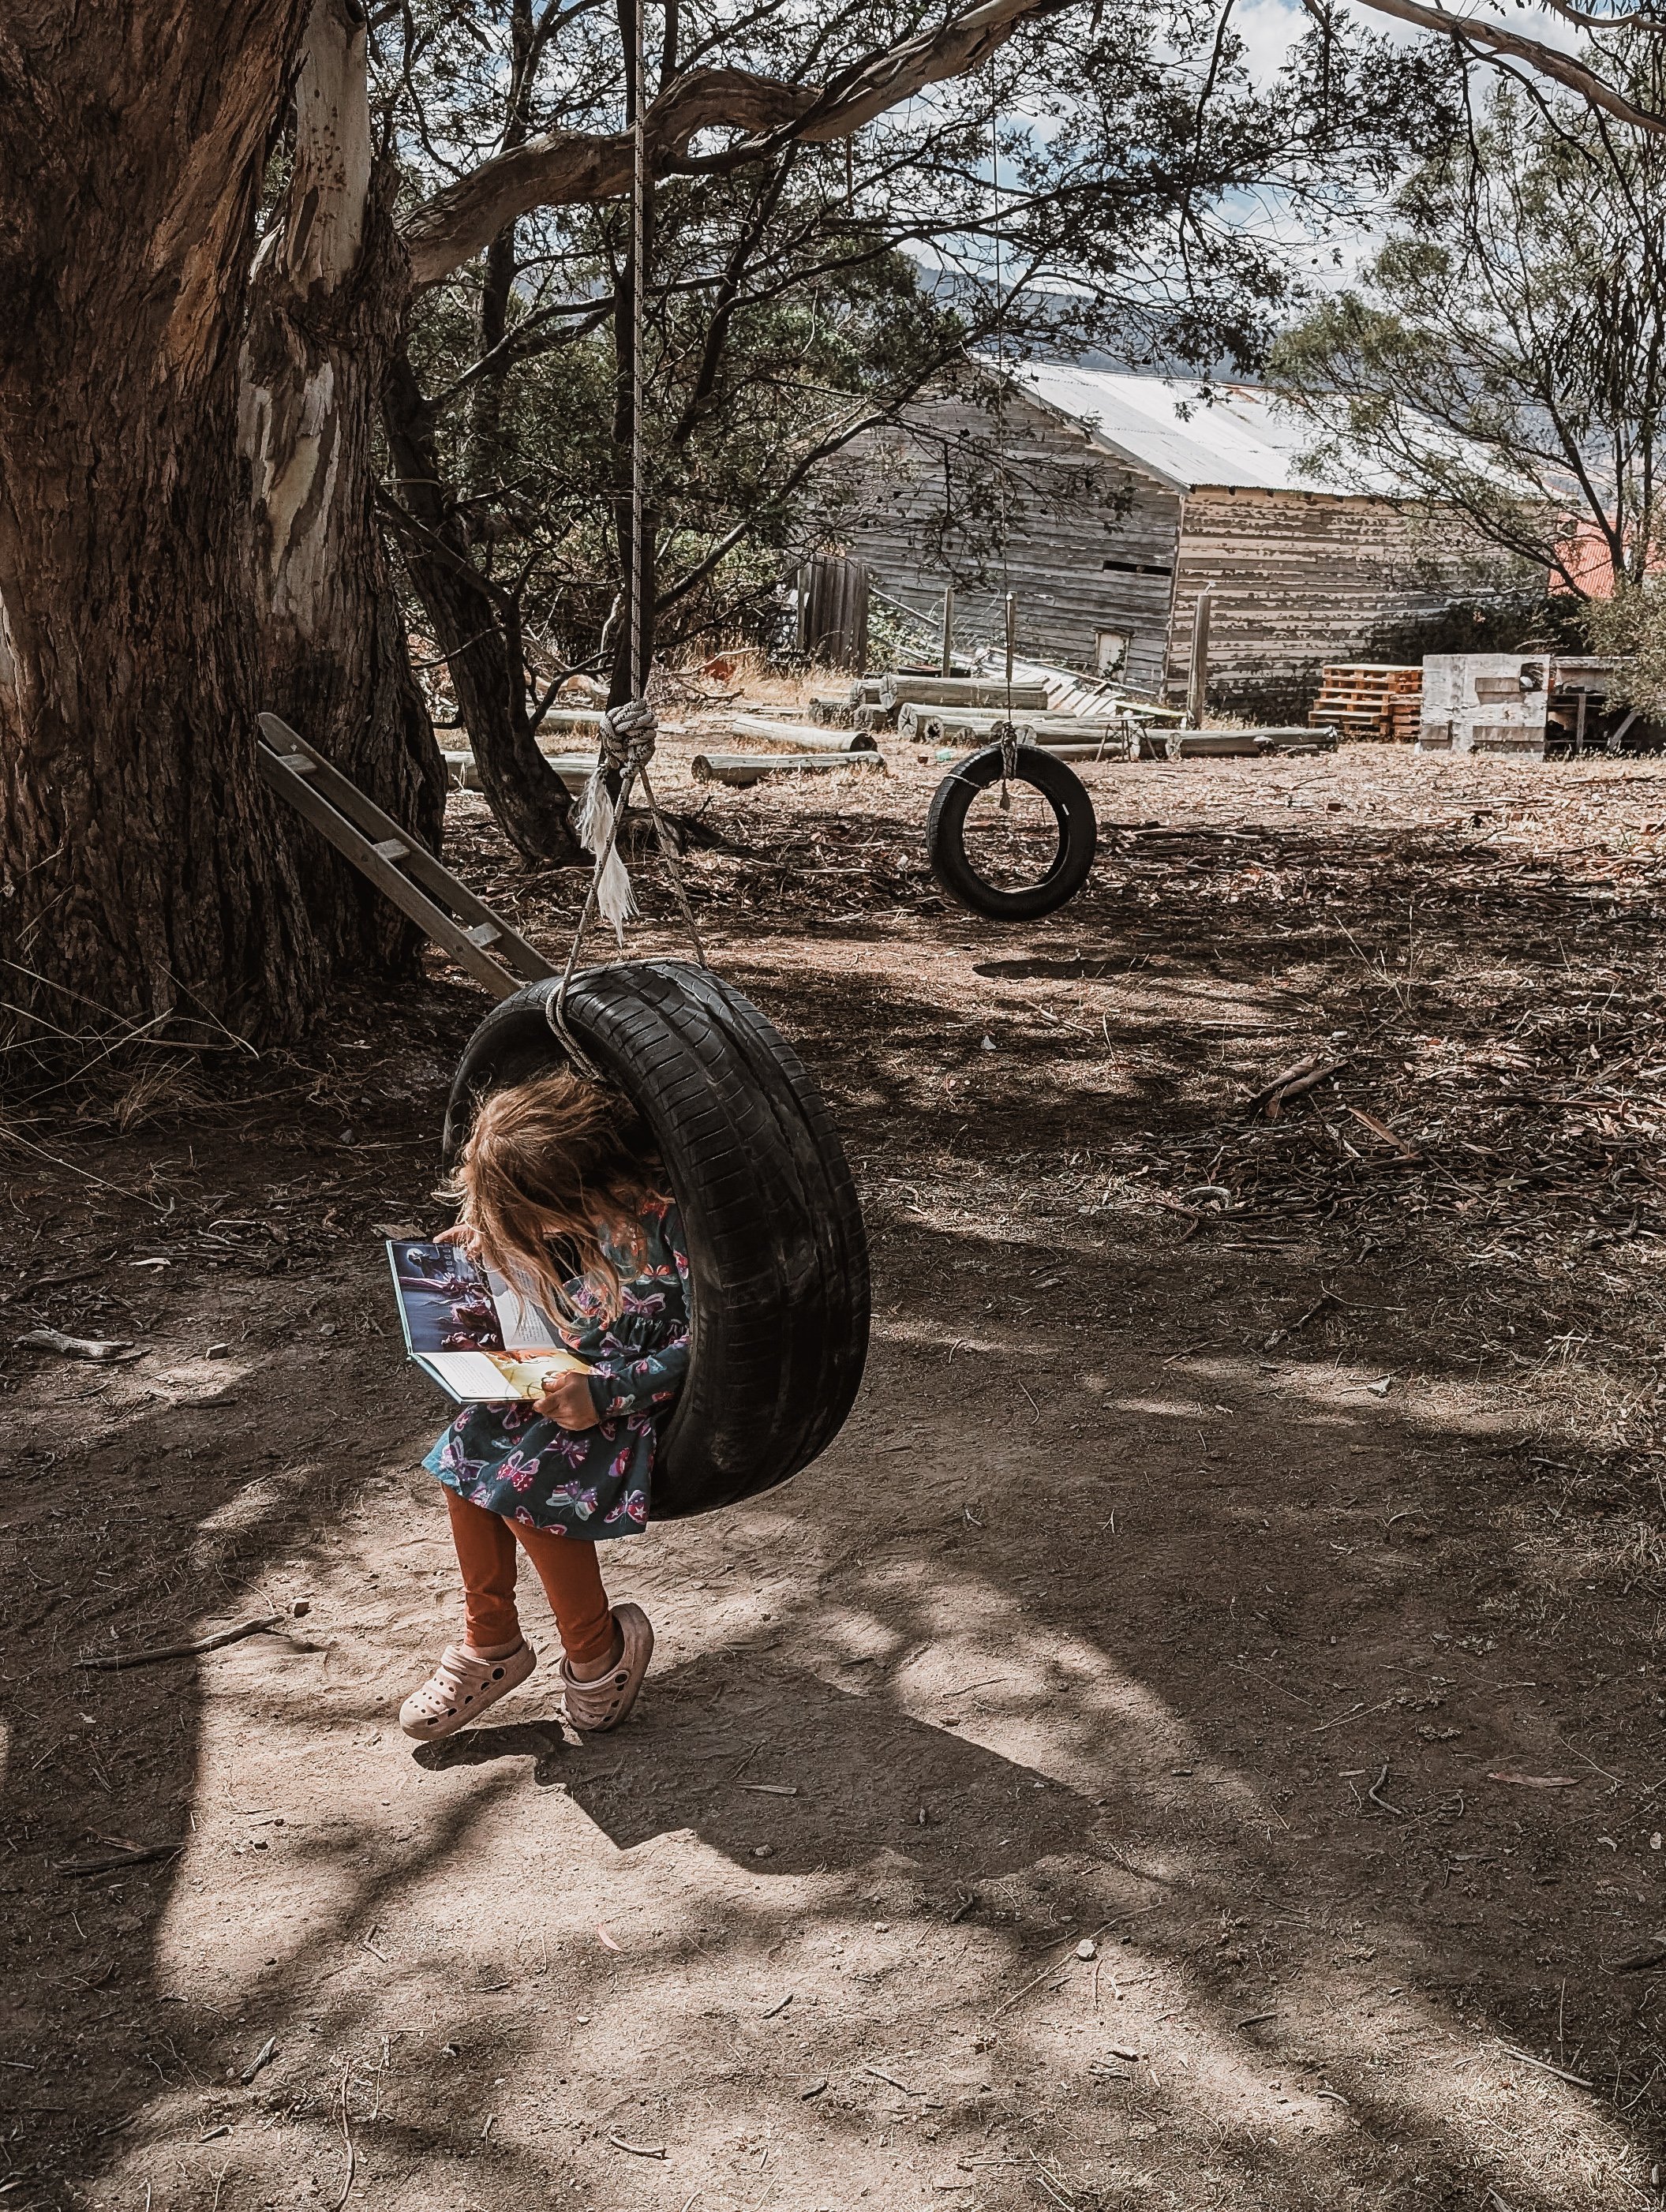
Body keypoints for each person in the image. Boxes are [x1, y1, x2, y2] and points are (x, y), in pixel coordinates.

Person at [399, 1071, 688, 1742]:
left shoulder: (675, 1215)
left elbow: (718, 1337)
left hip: (636, 1394)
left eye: (528, 1214)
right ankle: (491, 1641)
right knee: (468, 1443)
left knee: (528, 1476)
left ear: (576, 1187)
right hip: (574, 1367)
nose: (533, 1231)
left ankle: (598, 1653)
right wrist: (486, 1249)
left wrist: (609, 1393)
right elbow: (546, 1268)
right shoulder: (583, 1211)